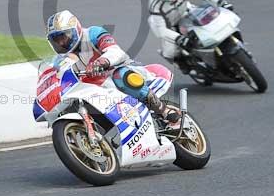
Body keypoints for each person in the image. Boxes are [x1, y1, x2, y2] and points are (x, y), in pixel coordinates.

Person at [45, 10, 178, 123]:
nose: (61, 42)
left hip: (122, 71)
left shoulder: (92, 34)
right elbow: (56, 76)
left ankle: (163, 110)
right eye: (56, 40)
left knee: (121, 76)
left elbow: (116, 51)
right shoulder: (61, 59)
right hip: (97, 89)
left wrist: (101, 62)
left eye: (64, 36)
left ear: (76, 29)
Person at [148, 0, 233, 74]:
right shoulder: (155, 5)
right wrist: (179, 38)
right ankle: (182, 64)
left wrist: (222, 2)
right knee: (170, 52)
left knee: (209, 21)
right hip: (168, 24)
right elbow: (162, 30)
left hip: (185, 11)